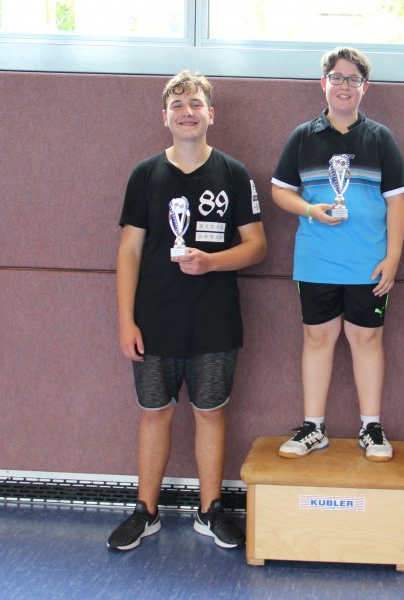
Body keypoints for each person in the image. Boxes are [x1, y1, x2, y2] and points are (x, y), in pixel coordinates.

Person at [108, 71, 267, 551]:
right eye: (177, 106)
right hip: (154, 322)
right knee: (154, 415)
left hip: (213, 323)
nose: (187, 112)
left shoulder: (234, 174)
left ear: (210, 114)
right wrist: (126, 320)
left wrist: (211, 262)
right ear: (165, 117)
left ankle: (209, 511)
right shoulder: (144, 175)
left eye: (195, 104)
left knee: (211, 415)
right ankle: (146, 511)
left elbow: (257, 246)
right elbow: (129, 252)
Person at [271, 47, 404, 462]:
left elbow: (398, 202)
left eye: (353, 79)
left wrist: (393, 258)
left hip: (369, 263)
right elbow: (280, 191)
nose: (344, 86)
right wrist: (309, 210)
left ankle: (371, 426)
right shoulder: (303, 136)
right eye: (337, 77)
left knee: (367, 339)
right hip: (317, 261)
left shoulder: (380, 138)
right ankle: (314, 427)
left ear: (365, 87)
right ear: (324, 83)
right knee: (317, 338)